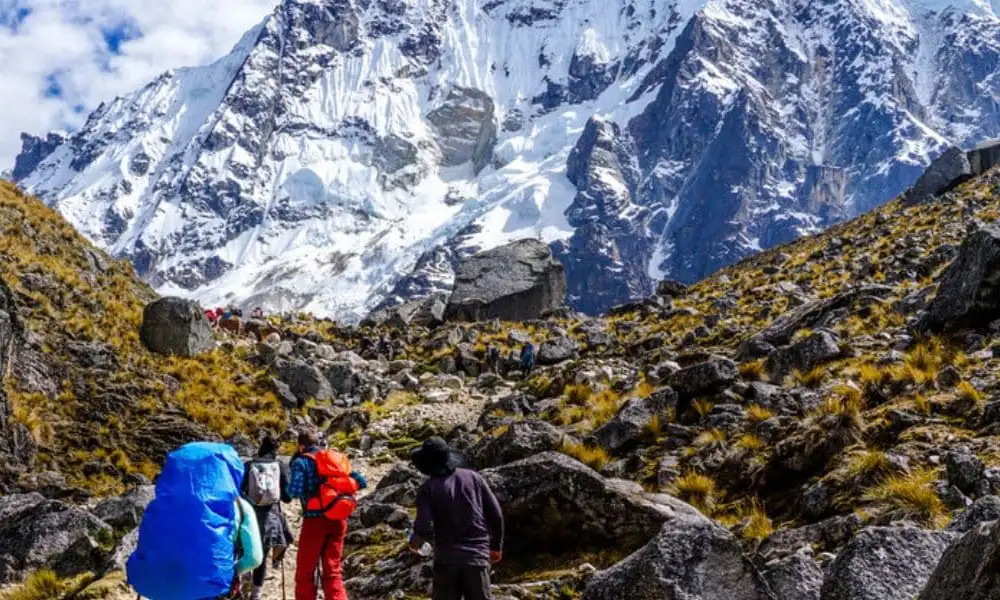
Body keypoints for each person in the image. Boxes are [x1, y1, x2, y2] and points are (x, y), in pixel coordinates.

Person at [128, 442, 263, 600]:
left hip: (163, 586)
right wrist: (231, 571)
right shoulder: (241, 506)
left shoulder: (162, 502)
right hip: (212, 589)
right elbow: (254, 557)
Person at [409, 437, 505, 600]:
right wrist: (496, 546)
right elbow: (495, 515)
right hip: (477, 557)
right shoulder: (475, 478)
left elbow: (424, 526)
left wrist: (415, 544)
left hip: (447, 559)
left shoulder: (427, 490)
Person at [287, 429, 368, 600]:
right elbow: (361, 482)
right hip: (338, 519)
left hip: (314, 522)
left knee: (305, 571)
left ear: (301, 446)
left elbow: (294, 491)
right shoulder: (334, 460)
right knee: (333, 570)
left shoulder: (301, 462)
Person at [242, 436, 294, 600]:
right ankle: (256, 594)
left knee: (243, 551)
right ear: (275, 450)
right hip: (271, 518)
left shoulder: (249, 465)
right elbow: (287, 498)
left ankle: (240, 586)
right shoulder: (280, 466)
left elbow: (240, 491)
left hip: (249, 515)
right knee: (261, 557)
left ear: (260, 448)